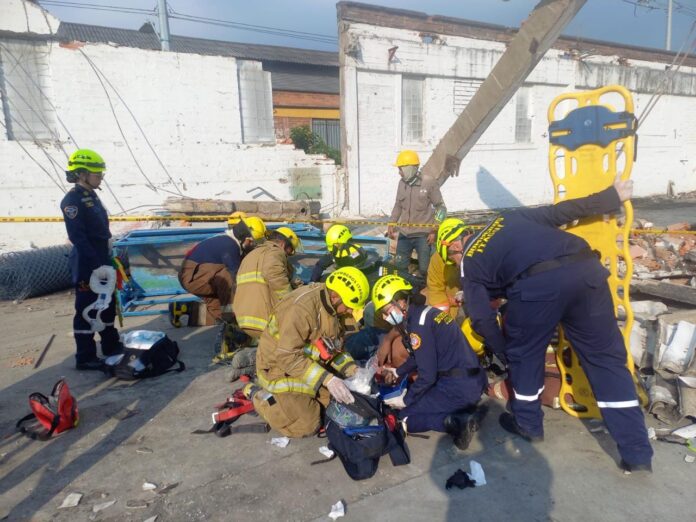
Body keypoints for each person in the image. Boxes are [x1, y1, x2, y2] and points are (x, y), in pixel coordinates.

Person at [438, 176, 653, 473]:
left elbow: (481, 317)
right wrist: (610, 197)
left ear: (457, 248)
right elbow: (561, 212)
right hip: (585, 270)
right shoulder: (509, 218)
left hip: (537, 288)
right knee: (606, 361)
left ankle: (527, 424)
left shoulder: (469, 262)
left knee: (524, 355)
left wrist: (503, 349)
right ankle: (637, 452)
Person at [248, 267, 370, 438]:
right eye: (349, 306)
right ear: (335, 296)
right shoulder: (301, 309)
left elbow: (333, 348)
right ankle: (257, 395)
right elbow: (287, 356)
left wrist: (354, 371)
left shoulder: (333, 309)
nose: (350, 311)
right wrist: (328, 379)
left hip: (305, 363)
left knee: (336, 407)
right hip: (278, 367)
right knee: (307, 425)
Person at [372, 275, 487, 450]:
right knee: (420, 399)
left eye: (386, 310)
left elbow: (427, 376)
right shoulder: (424, 314)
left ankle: (457, 422)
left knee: (404, 416)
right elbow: (421, 356)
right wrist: (398, 372)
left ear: (401, 302)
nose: (385, 316)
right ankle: (465, 411)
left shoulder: (418, 325)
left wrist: (406, 400)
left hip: (458, 387)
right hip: (470, 379)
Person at [61, 149, 122, 370]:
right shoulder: (72, 201)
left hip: (102, 256)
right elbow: (78, 237)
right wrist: (96, 266)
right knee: (87, 309)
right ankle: (85, 356)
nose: (101, 178)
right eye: (97, 174)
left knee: (107, 305)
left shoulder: (91, 195)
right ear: (82, 173)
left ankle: (111, 345)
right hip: (88, 262)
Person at [178, 213, 266, 325]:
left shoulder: (228, 240)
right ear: (246, 238)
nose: (253, 245)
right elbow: (237, 277)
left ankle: (182, 310)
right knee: (228, 277)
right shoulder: (230, 246)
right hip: (193, 277)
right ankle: (230, 317)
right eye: (253, 242)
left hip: (197, 276)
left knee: (218, 314)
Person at [233, 226, 303, 339]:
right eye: (289, 253)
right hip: (265, 322)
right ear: (283, 245)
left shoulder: (251, 254)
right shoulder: (275, 252)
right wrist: (292, 302)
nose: (288, 256)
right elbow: (275, 276)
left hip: (243, 320)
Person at [388, 150, 446, 277]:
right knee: (399, 268)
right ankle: (404, 294)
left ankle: (426, 292)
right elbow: (398, 205)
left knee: (425, 269)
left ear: (409, 168)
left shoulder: (428, 182)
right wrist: (392, 222)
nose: (399, 172)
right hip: (404, 234)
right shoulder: (401, 183)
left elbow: (441, 208)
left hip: (423, 236)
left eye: (401, 169)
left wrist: (434, 230)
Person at [310, 224, 378, 283]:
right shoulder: (335, 254)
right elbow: (320, 265)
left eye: (335, 246)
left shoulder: (356, 251)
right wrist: (313, 282)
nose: (332, 251)